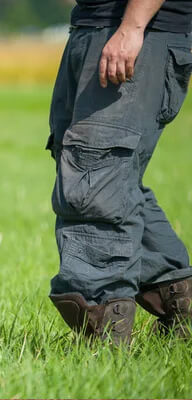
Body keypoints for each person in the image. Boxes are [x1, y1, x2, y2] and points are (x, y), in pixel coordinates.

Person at [47, 0, 192, 345]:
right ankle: (178, 299)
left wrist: (132, 26)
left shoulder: (132, 27)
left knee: (95, 179)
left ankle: (105, 338)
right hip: (93, 26)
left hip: (135, 28)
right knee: (95, 173)